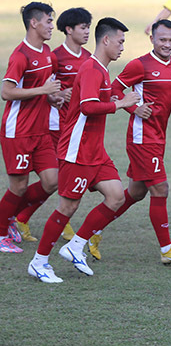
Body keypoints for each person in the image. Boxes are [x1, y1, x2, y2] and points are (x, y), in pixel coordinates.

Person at [27, 17, 140, 283]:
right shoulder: (91, 69)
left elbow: (92, 101)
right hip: (77, 151)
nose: (123, 47)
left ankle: (75, 246)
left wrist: (112, 99)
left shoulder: (101, 68)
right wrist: (120, 104)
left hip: (94, 151)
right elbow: (87, 107)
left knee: (115, 196)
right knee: (68, 207)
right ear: (107, 40)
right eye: (120, 42)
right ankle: (39, 262)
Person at [94, 19, 171, 265]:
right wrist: (135, 108)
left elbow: (166, 93)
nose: (168, 45)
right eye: (162, 40)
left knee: (136, 192)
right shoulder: (140, 64)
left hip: (159, 137)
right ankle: (167, 250)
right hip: (142, 139)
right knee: (161, 189)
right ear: (152, 39)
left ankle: (92, 232)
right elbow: (114, 89)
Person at [15, 6, 90, 243]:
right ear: (68, 30)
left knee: (57, 180)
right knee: (58, 179)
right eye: (83, 27)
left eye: (89, 27)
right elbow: (46, 89)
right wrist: (60, 94)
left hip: (77, 128)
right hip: (55, 126)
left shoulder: (89, 58)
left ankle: (19, 215)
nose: (88, 31)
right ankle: (21, 216)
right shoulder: (55, 56)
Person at [0, 2, 62, 253]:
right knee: (19, 186)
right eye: (48, 21)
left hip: (41, 131)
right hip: (18, 131)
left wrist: (52, 97)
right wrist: (43, 90)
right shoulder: (20, 55)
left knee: (51, 181)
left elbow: (43, 89)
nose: (51, 26)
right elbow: (6, 92)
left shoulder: (47, 51)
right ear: (33, 23)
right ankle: (1, 232)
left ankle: (9, 217)